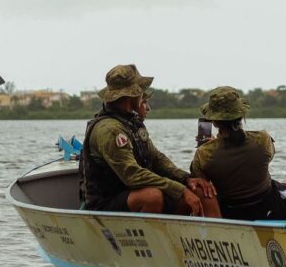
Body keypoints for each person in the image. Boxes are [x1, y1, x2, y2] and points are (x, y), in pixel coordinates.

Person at [79, 64, 219, 216]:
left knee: (200, 189)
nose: (142, 95)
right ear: (131, 95)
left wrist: (186, 179)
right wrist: (179, 189)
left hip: (134, 192)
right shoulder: (110, 130)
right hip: (107, 202)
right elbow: (132, 175)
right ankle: (146, 239)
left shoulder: (132, 122)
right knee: (152, 196)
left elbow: (157, 159)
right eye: (140, 91)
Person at [190, 86, 286, 221]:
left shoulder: (204, 153)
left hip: (232, 214)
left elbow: (201, 180)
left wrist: (210, 145)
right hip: (272, 211)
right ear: (241, 115)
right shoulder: (262, 139)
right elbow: (264, 157)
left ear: (214, 122)